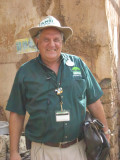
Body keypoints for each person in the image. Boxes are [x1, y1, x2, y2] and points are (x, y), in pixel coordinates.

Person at [6, 16, 110, 160]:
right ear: (37, 42)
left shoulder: (78, 64)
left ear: (62, 42)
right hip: (42, 151)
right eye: (46, 39)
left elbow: (94, 102)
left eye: (56, 40)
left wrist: (106, 131)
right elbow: (17, 113)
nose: (52, 44)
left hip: (78, 149)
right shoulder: (25, 72)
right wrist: (14, 152)